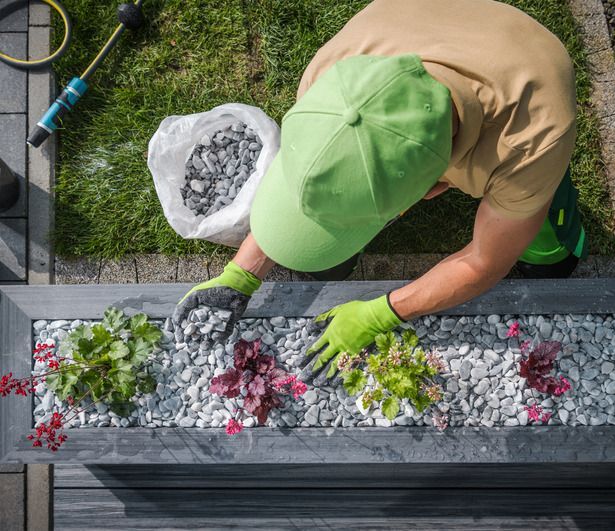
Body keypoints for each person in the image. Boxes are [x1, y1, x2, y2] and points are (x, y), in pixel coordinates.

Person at [172, 0, 588, 379]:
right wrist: (239, 275)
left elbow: (483, 262)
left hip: (520, 70)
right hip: (419, 30)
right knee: (323, 262)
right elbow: (305, 178)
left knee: (548, 254)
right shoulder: (332, 81)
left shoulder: (532, 141)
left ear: (433, 190)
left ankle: (556, 244)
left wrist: (383, 313)